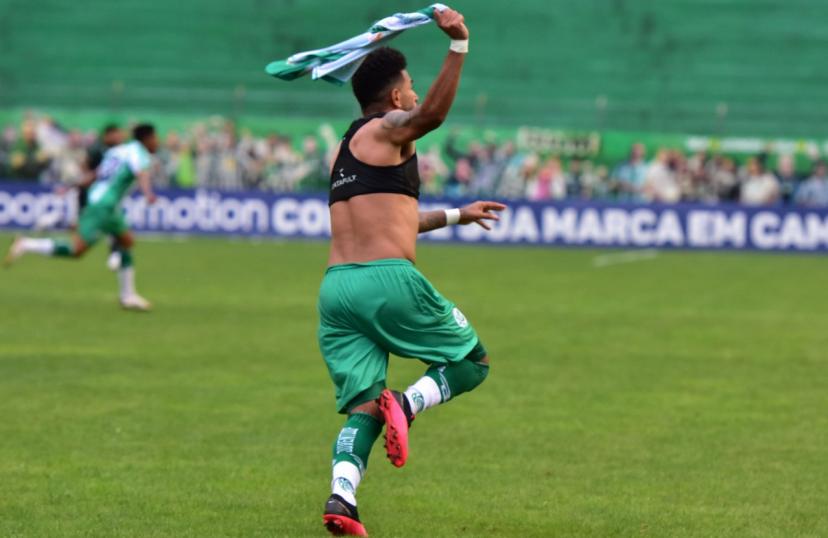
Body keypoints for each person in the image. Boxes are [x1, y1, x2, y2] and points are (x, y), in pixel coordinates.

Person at [317, 9, 505, 536]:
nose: (417, 95)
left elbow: (390, 220)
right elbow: (430, 119)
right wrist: (459, 45)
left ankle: (342, 499)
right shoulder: (389, 128)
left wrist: (456, 215)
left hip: (337, 292)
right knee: (472, 362)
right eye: (412, 87)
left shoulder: (346, 148)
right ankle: (407, 401)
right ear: (395, 98)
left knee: (362, 409)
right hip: (386, 281)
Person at [4, 124, 159, 311]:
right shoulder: (140, 154)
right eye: (155, 138)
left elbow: (96, 174)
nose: (156, 142)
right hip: (104, 206)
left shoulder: (118, 151)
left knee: (126, 241)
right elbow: (141, 173)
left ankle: (127, 294)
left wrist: (71, 186)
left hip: (102, 202)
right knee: (76, 250)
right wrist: (148, 193)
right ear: (147, 138)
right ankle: (26, 244)